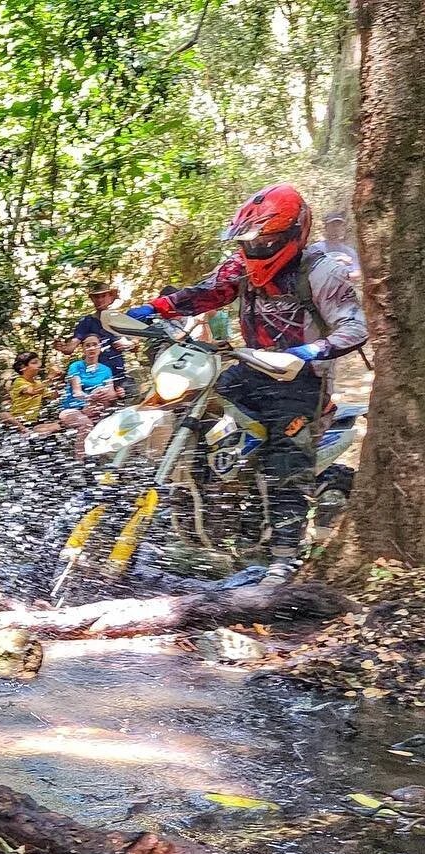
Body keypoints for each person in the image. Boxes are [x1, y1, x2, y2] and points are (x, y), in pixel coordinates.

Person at [122, 184, 366, 586]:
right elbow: (208, 292)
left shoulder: (322, 272)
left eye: (268, 240)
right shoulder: (241, 265)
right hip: (250, 366)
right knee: (191, 406)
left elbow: (355, 326)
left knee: (285, 460)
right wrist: (155, 309)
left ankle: (283, 558)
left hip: (300, 379)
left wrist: (306, 353)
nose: (259, 248)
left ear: (293, 234)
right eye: (253, 240)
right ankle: (200, 504)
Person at [55, 280, 136, 396]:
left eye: (103, 296)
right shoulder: (87, 322)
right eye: (96, 297)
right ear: (92, 299)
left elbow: (135, 343)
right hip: (96, 378)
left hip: (119, 374)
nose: (100, 300)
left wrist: (130, 344)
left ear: (110, 298)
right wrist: (62, 347)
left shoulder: (119, 319)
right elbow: (70, 348)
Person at [57, 335, 121, 459]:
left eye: (94, 345)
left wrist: (116, 393)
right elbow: (77, 392)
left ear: (99, 347)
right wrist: (90, 397)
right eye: (88, 345)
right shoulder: (75, 366)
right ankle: (79, 464)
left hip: (96, 409)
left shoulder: (106, 370)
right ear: (83, 349)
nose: (91, 348)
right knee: (86, 424)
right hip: (73, 409)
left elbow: (111, 393)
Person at [0, 352, 61, 435]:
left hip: (33, 422)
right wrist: (49, 378)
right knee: (4, 414)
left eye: (38, 362)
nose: (38, 365)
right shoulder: (19, 381)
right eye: (34, 363)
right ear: (23, 367)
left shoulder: (38, 383)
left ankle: (33, 433)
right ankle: (25, 431)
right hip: (18, 421)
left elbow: (54, 396)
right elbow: (32, 391)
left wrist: (56, 381)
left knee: (58, 426)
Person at [308, 210, 361, 281]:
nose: (336, 228)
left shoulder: (350, 251)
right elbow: (312, 271)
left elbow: (357, 273)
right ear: (326, 227)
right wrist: (338, 260)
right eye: (333, 225)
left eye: (339, 225)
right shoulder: (316, 248)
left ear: (343, 228)